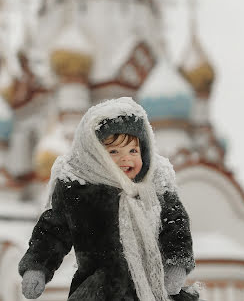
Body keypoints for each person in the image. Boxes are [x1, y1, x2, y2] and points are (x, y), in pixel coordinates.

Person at [18, 97, 199, 301]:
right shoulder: (79, 192)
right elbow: (53, 231)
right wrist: (37, 267)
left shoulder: (155, 188)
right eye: (114, 151)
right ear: (94, 155)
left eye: (133, 150)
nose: (126, 158)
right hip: (100, 290)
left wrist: (176, 264)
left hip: (153, 289)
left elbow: (175, 225)